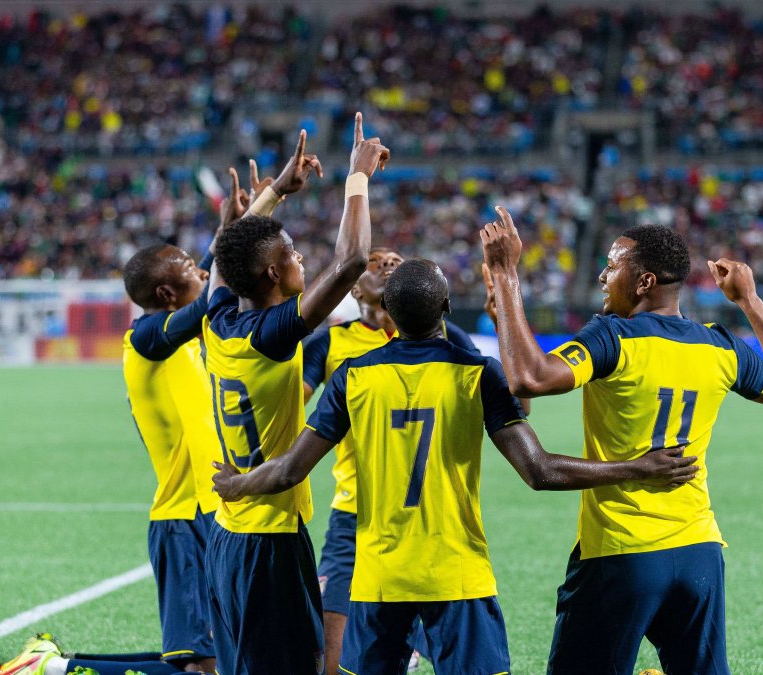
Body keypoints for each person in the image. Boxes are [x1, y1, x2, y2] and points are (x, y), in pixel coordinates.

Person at [210, 258, 702, 675]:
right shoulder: (477, 371)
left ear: (389, 315)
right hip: (457, 574)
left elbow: (290, 470)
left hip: (379, 575)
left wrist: (237, 484)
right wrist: (638, 467)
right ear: (447, 308)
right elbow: (541, 471)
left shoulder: (353, 377)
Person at [0, 132, 319, 675]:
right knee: (203, 669)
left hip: (218, 512)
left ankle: (56, 663)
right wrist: (252, 216)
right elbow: (223, 275)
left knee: (226, 660)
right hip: (182, 517)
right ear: (166, 294)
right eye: (190, 265)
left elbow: (227, 269)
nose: (202, 265)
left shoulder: (208, 336)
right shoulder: (145, 340)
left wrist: (272, 199)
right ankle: (54, 671)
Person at [478, 208, 763, 675]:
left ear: (643, 281)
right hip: (699, 551)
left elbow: (530, 378)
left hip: (622, 553)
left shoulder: (613, 338)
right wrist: (750, 301)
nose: (602, 275)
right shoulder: (718, 346)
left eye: (612, 266)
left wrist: (505, 272)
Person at [201, 114, 388, 675]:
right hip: (267, 538)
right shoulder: (272, 335)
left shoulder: (218, 320)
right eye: (291, 255)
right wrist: (358, 179)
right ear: (273, 275)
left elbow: (221, 260)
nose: (301, 258)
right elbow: (351, 261)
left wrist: (275, 193)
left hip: (229, 532)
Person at [300, 246, 484, 674]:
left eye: (396, 260)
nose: (386, 263)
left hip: (433, 514)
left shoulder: (447, 337)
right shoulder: (332, 341)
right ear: (354, 286)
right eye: (374, 260)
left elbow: (514, 402)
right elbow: (293, 406)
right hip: (355, 512)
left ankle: (413, 640)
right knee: (334, 661)